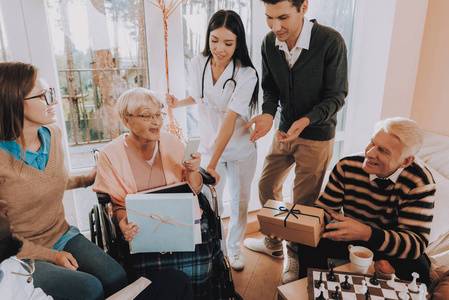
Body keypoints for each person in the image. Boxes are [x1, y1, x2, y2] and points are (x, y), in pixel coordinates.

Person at [0, 62, 128, 299]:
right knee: (89, 289)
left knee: (116, 277)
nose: (54, 102)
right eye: (43, 96)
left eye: (52, 93)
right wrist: (51, 256)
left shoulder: (53, 134)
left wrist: (86, 179)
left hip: (60, 235)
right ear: (13, 102)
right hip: (18, 252)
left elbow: (44, 181)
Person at [243, 0, 348, 283]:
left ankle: (296, 257)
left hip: (315, 136)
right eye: (269, 17)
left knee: (304, 204)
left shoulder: (330, 42)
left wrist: (307, 120)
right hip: (284, 132)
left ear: (304, 7)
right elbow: (270, 87)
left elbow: (337, 95)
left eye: (283, 17)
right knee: (267, 184)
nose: (275, 26)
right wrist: (267, 114)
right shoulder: (269, 43)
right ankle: (274, 244)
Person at [93, 88, 227, 299]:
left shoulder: (172, 142)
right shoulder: (110, 155)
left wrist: (192, 170)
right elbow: (118, 206)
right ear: (127, 121)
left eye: (158, 114)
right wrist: (122, 222)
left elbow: (195, 189)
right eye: (147, 116)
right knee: (145, 268)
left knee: (202, 260)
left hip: (180, 220)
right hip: (142, 228)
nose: (156, 122)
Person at [166, 10, 259, 271]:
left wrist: (213, 165)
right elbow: (199, 96)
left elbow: (229, 121)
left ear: (238, 43)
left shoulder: (246, 74)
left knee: (240, 200)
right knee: (207, 199)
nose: (219, 48)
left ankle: (235, 247)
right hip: (209, 145)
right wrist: (179, 103)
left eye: (228, 43)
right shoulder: (198, 63)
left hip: (239, 147)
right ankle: (215, 248)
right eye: (214, 40)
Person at [297, 117, 435, 285]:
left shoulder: (419, 183)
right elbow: (325, 210)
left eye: (383, 151)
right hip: (349, 237)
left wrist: (366, 232)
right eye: (372, 143)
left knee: (420, 270)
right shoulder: (346, 166)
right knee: (308, 243)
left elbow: (416, 243)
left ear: (405, 161)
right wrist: (292, 228)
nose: (369, 153)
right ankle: (311, 288)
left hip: (388, 245)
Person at [0, 200, 194, 300]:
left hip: (56, 237)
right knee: (90, 287)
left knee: (177, 280)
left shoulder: (9, 266)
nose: (5, 205)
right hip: (33, 252)